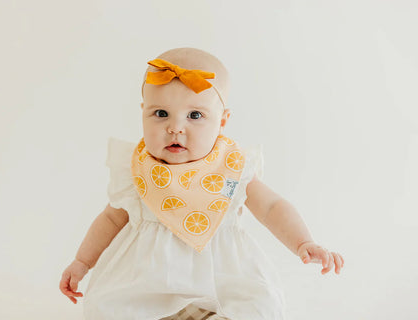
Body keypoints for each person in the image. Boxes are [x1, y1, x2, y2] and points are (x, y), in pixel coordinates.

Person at [59, 47, 344, 320]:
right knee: (104, 307)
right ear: (143, 112)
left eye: (195, 115)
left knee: (260, 306)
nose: (175, 127)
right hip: (146, 286)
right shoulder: (137, 171)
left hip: (221, 284)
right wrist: (82, 263)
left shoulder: (231, 172)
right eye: (160, 114)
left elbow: (271, 207)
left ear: (222, 121)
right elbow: (110, 219)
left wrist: (303, 241)